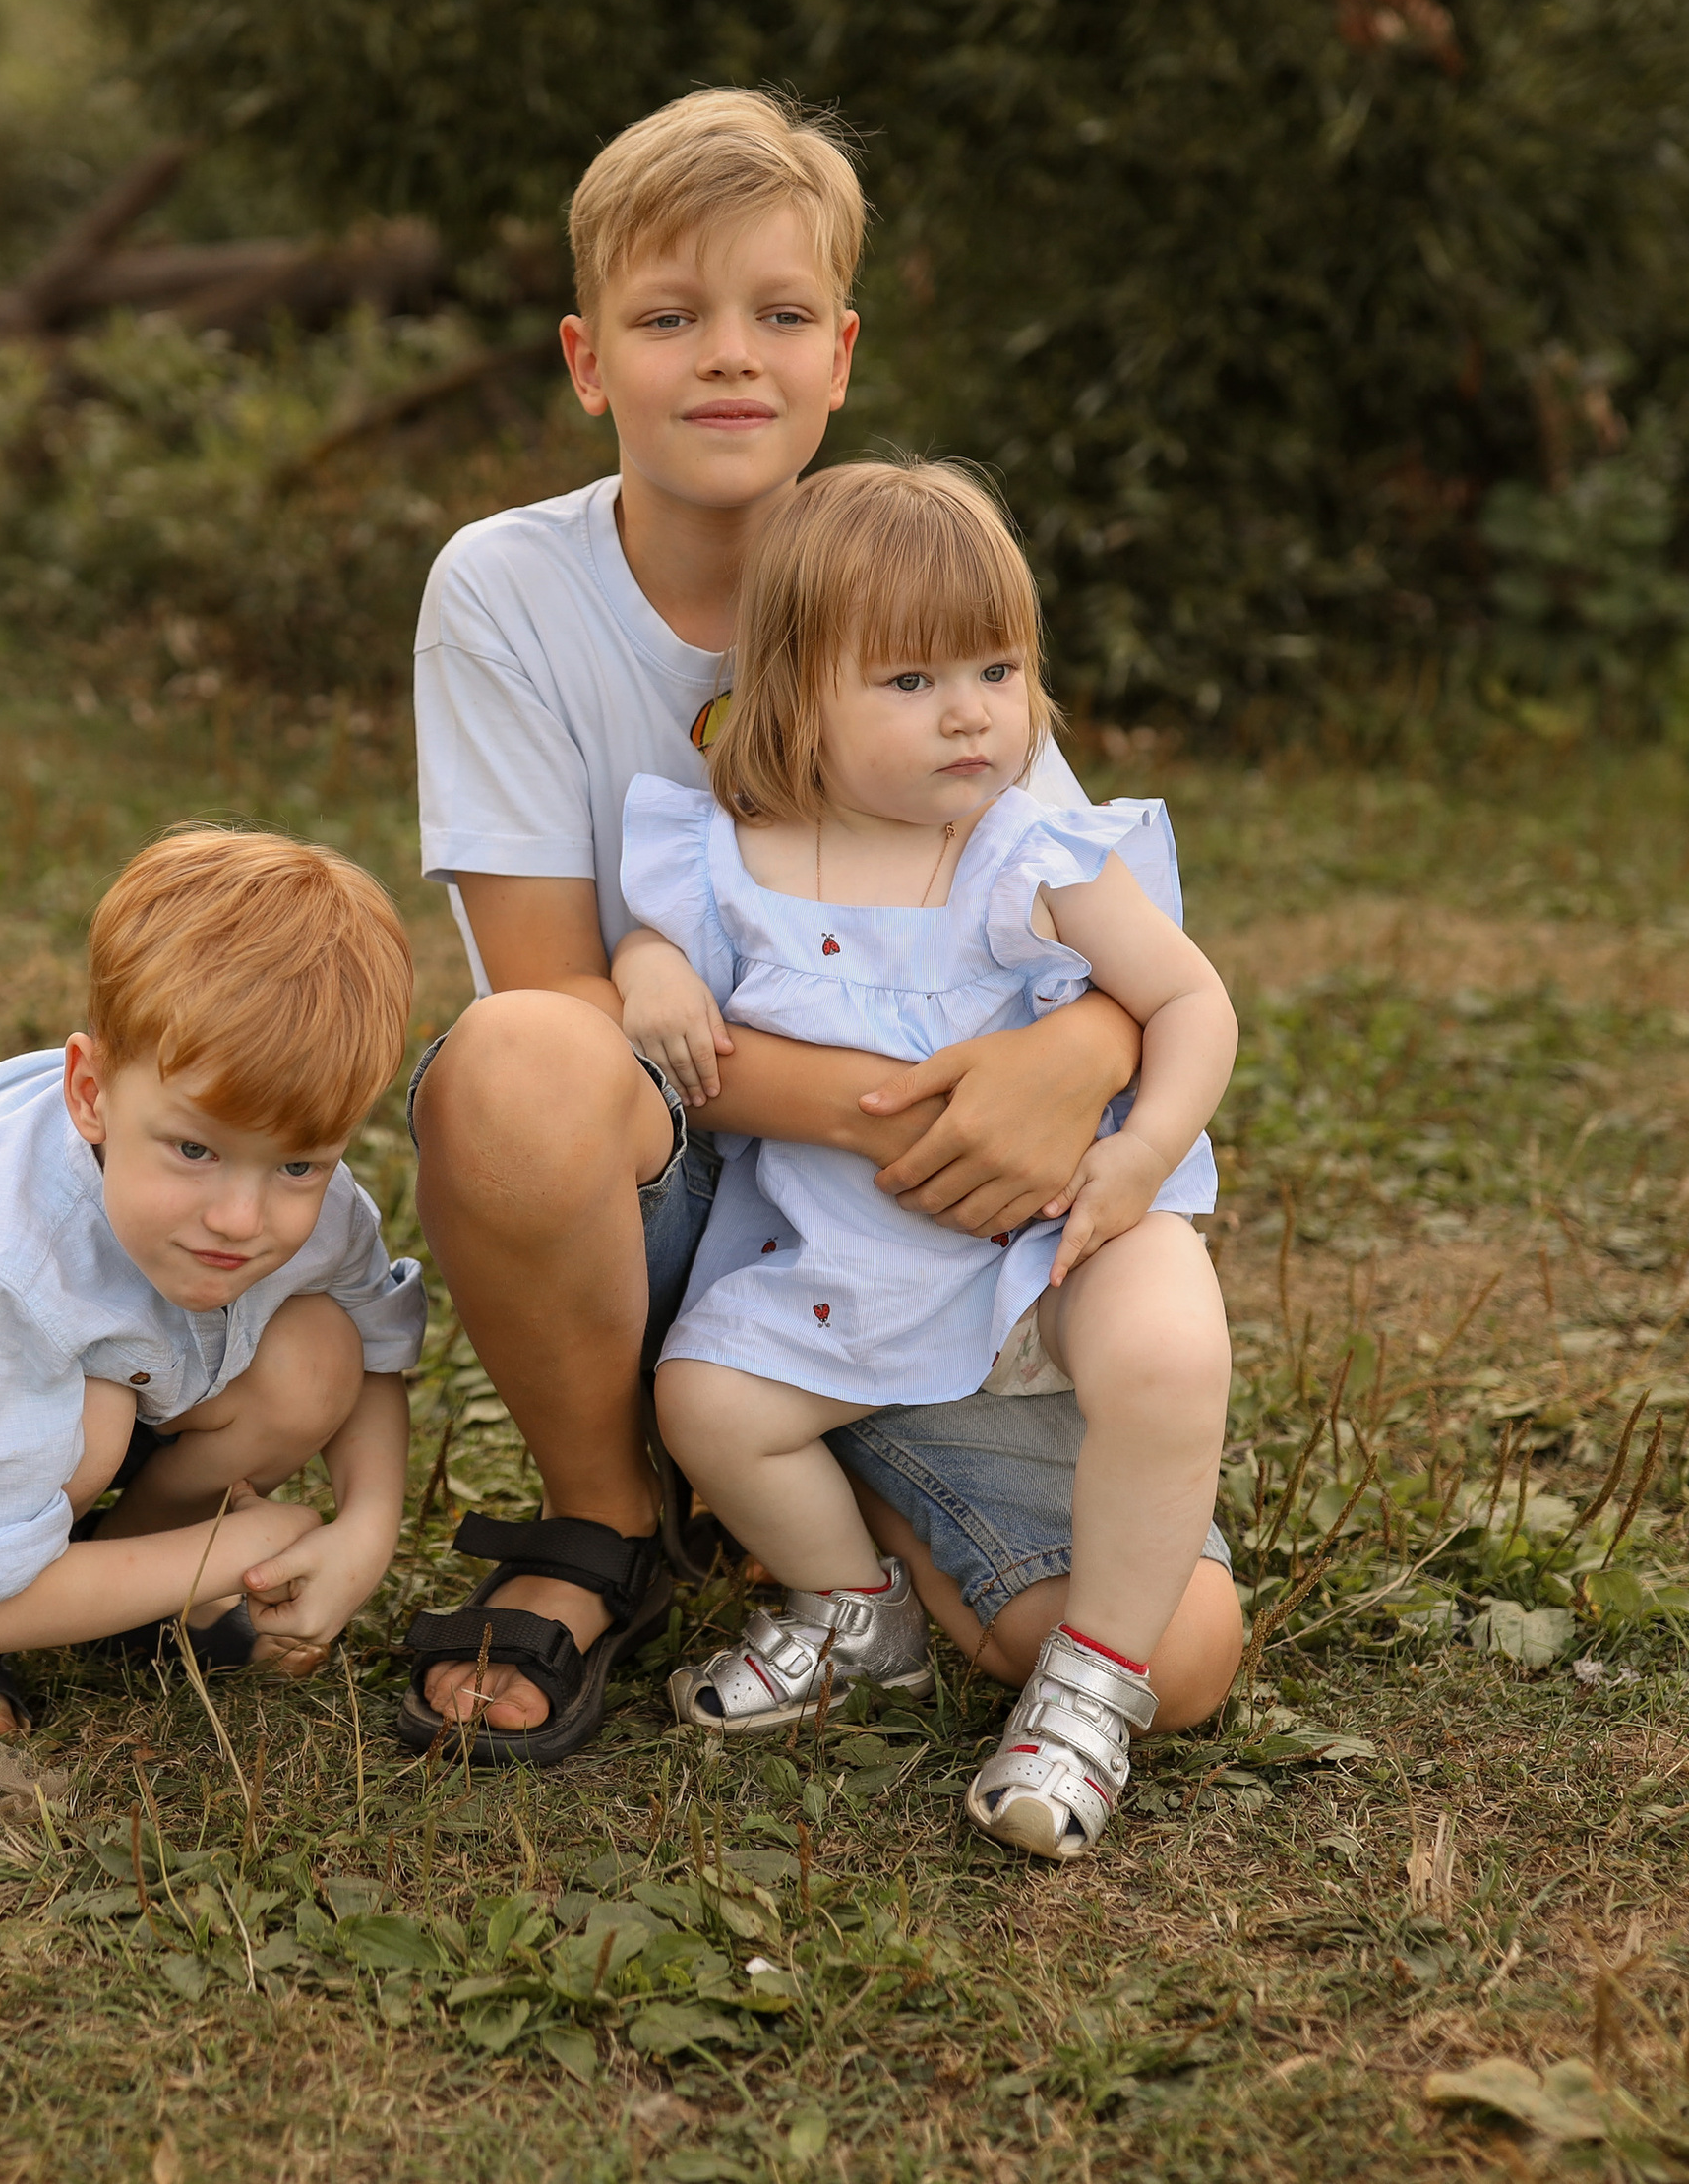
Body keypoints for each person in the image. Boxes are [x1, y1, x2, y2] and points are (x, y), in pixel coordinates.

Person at [401, 86, 1245, 1766]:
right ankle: (608, 1518)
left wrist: (1074, 1057)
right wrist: (911, 1108)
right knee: (512, 1062)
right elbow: (555, 994)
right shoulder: (506, 591)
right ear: (586, 360)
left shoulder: (911, 572)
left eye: (781, 315)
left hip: (932, 1225)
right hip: (673, 1168)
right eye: (670, 318)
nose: (731, 356)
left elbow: (1086, 918)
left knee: (1188, 1656)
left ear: (841, 354)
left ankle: (832, 1508)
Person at [615, 461, 1235, 1858]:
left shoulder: (1031, 850)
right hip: (854, 1265)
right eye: (909, 680)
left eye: (996, 669)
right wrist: (650, 973)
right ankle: (855, 1611)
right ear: (794, 696)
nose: (970, 712)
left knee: (1170, 1348)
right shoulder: (727, 860)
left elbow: (1194, 1001)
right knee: (707, 1398)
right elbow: (656, 952)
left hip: (1058, 1236)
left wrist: (1142, 1158)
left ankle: (1094, 1684)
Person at [0, 827, 422, 1737]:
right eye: (194, 1150)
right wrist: (237, 1548)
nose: (241, 1217)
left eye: (299, 1165)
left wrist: (369, 1529)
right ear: (90, 1092)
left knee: (319, 1352)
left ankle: (128, 1588)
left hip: (129, 1368)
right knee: (93, 1420)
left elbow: (374, 1348)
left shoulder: (303, 1197)